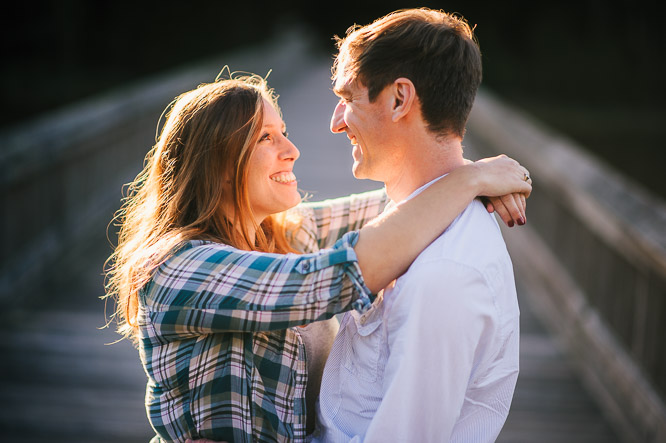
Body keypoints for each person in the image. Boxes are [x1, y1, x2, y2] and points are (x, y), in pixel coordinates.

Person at [104, 72, 530, 441]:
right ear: (217, 161)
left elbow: (403, 198)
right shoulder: (176, 268)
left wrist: (477, 177)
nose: (292, 150)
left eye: (284, 131)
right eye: (266, 138)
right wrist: (472, 179)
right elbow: (331, 278)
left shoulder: (282, 233)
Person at [309, 8, 526, 442]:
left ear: (399, 99)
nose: (335, 122)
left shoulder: (445, 275)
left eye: (349, 98)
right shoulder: (404, 216)